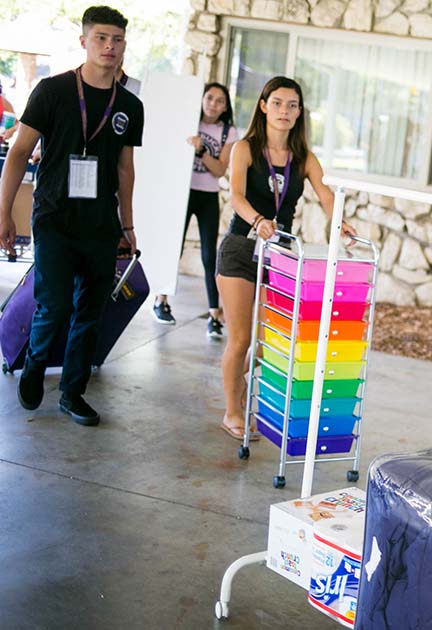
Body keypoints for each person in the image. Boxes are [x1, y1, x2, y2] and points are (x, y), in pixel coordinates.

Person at [0, 5, 143, 427]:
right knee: (55, 305)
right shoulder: (52, 91)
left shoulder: (129, 105)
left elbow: (124, 168)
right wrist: (4, 214)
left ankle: (72, 393)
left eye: (116, 39)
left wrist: (127, 225)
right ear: (84, 41)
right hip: (54, 218)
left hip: (100, 225)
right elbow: (20, 153)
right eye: (101, 38)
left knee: (90, 313)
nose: (109, 46)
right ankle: (35, 363)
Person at [216, 76, 354, 440]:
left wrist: (339, 222)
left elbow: (326, 196)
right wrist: (259, 220)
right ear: (263, 105)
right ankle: (233, 412)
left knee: (265, 343)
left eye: (292, 105)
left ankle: (238, 390)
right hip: (241, 248)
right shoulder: (244, 148)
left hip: (279, 255)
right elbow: (237, 197)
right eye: (277, 103)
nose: (284, 111)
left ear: (300, 113)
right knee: (240, 339)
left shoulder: (304, 158)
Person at [151, 83, 237, 338]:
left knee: (210, 256)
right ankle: (160, 301)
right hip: (183, 192)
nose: (213, 104)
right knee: (173, 248)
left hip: (208, 196)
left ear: (225, 106)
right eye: (209, 98)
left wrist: (200, 150)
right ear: (201, 99)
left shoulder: (228, 131)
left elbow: (220, 170)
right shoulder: (188, 121)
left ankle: (214, 315)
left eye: (219, 101)